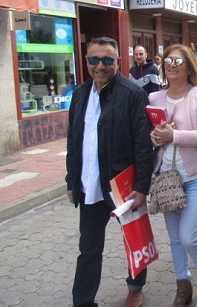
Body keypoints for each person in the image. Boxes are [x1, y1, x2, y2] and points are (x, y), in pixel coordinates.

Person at [65, 37, 154, 307]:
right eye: (94, 60)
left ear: (117, 62)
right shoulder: (80, 93)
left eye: (107, 60)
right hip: (90, 184)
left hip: (122, 184)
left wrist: (142, 186)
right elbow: (73, 139)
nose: (100, 66)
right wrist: (72, 181)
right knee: (88, 248)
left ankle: (136, 286)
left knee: (133, 239)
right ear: (86, 61)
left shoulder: (132, 94)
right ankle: (83, 301)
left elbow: (143, 144)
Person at [149, 44, 197, 306]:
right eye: (168, 60)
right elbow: (154, 138)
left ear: (189, 66)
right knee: (175, 238)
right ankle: (182, 285)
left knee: (189, 235)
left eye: (178, 61)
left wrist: (174, 135)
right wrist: (157, 137)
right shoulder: (155, 98)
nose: (172, 64)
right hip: (167, 176)